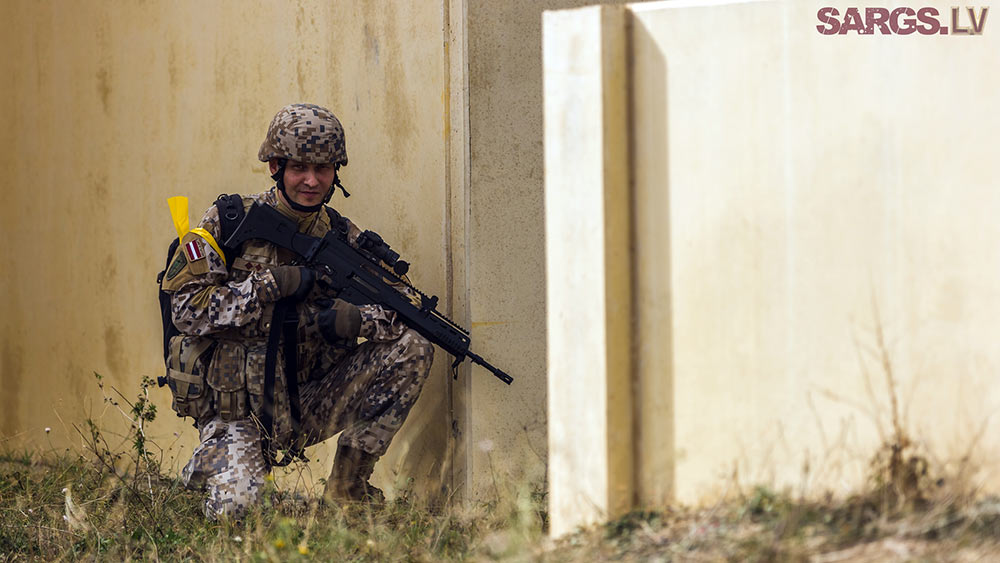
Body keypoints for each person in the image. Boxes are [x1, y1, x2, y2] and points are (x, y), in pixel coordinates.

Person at [160, 103, 435, 519]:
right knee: (238, 511)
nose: (312, 180)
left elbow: (405, 308)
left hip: (309, 400)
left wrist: (356, 319)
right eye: (300, 168)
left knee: (413, 346)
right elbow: (188, 309)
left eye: (323, 169)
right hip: (240, 411)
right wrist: (269, 285)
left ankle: (347, 489)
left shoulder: (344, 238)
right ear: (275, 166)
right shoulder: (229, 221)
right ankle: (215, 462)